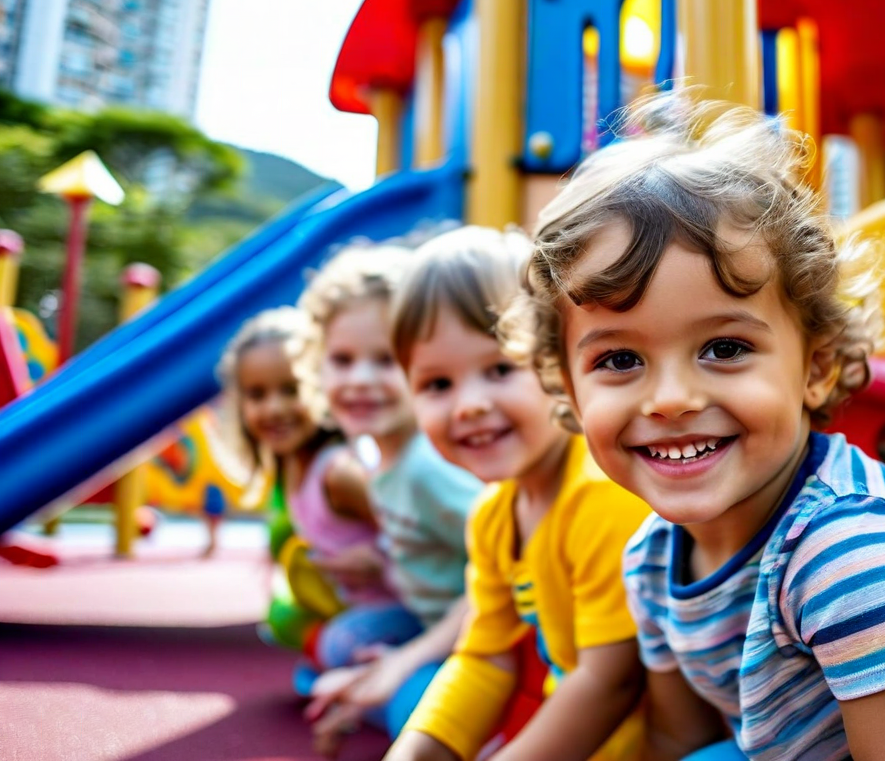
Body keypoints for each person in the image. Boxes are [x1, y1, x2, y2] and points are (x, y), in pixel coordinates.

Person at [501, 93, 885, 761]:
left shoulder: (852, 559)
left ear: (817, 367)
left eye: (723, 348)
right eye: (620, 359)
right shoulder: (652, 558)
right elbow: (681, 740)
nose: (670, 399)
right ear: (568, 385)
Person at [383, 226, 651, 761]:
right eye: (437, 384)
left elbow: (611, 683)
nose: (469, 405)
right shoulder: (495, 515)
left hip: (658, 739)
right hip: (585, 729)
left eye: (500, 369)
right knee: (412, 708)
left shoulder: (601, 493)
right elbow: (483, 658)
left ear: (558, 362)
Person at [298, 245, 484, 755]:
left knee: (411, 704)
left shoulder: (427, 468)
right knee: (342, 643)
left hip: (483, 633)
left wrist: (403, 662)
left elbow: (506, 572)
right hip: (433, 620)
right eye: (342, 360)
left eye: (385, 360)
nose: (360, 379)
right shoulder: (381, 460)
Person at [217, 306, 384, 607]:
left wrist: (382, 559)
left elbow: (419, 537)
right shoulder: (291, 467)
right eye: (257, 395)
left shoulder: (339, 473)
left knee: (336, 644)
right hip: (354, 606)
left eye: (292, 390)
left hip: (399, 608)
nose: (274, 408)